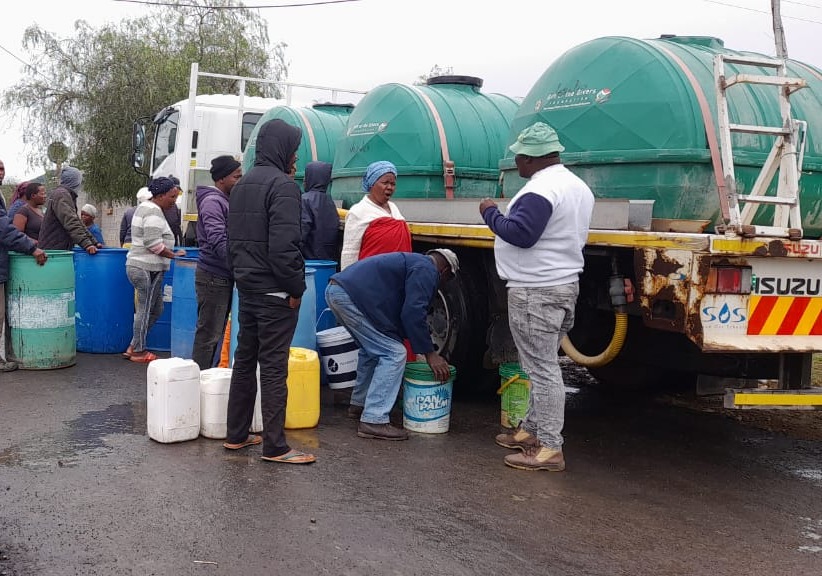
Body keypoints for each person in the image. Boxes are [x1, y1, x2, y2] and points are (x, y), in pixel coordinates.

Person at [479, 122, 594, 472]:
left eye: (519, 156)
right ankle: (530, 430)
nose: (516, 162)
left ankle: (548, 448)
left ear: (531, 158)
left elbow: (521, 234)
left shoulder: (541, 190)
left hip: (536, 291)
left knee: (542, 370)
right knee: (540, 364)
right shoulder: (577, 187)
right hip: (562, 286)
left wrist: (490, 212)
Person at [225, 118, 314, 465]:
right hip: (275, 292)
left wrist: (243, 278)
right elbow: (284, 247)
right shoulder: (284, 187)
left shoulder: (243, 184)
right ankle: (275, 446)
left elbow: (234, 241)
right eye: (293, 149)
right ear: (282, 149)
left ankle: (236, 435)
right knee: (275, 367)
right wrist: (295, 288)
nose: (295, 157)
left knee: (245, 361)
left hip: (247, 289)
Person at [325, 249, 459, 441]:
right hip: (349, 297)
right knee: (394, 353)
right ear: (445, 271)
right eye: (447, 280)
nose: (443, 284)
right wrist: (430, 354)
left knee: (372, 350)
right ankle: (374, 419)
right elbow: (413, 312)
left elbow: (402, 311)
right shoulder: (427, 269)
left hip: (338, 291)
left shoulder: (416, 264)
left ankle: (360, 404)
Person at [124, 177, 185, 363]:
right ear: (159, 195)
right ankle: (139, 351)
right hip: (145, 267)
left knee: (156, 309)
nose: (174, 200)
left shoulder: (150, 208)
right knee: (145, 308)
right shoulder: (152, 211)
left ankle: (134, 344)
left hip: (146, 267)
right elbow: (152, 242)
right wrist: (173, 255)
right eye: (172, 196)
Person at [191, 155, 241, 370]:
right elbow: (217, 237)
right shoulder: (213, 202)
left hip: (220, 276)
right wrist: (237, 265)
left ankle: (204, 380)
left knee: (214, 332)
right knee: (208, 335)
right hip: (214, 277)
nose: (240, 181)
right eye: (236, 177)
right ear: (221, 179)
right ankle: (198, 382)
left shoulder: (223, 200)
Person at [1, 199, 48, 372]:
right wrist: (31, 247)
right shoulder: (22, 210)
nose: (1, 172)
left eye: (2, 169)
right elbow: (5, 231)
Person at [339, 160, 410, 270]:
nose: (390, 187)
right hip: (372, 278)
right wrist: (348, 281)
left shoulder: (394, 209)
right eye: (385, 183)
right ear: (372, 183)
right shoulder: (359, 211)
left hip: (397, 276)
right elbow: (350, 253)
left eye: (393, 184)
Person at [38, 166, 100, 254]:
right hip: (54, 251)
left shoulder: (66, 195)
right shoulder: (62, 195)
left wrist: (94, 242)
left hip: (58, 248)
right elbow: (71, 221)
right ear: (75, 181)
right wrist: (87, 244)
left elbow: (78, 222)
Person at [300, 161, 339, 261]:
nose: (304, 180)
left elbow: (301, 233)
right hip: (328, 262)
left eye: (306, 176)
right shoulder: (330, 202)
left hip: (309, 262)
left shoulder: (305, 200)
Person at [164, 176, 184, 247]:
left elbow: (177, 225)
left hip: (172, 241)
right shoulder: (162, 205)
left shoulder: (174, 205)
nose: (177, 192)